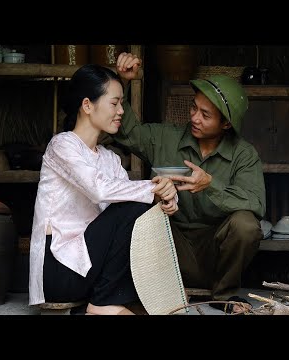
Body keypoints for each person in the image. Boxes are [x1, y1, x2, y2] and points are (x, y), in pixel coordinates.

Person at [113, 52, 266, 314]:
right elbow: (128, 134)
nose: (195, 117)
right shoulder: (165, 138)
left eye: (205, 115)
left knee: (246, 225)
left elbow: (255, 204)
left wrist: (211, 184)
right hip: (171, 244)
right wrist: (123, 83)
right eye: (194, 108)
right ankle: (156, 292)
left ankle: (224, 296)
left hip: (217, 251)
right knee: (135, 215)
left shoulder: (244, 154)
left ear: (226, 123)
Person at [28, 63, 179, 315]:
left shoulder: (110, 159)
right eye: (115, 103)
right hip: (58, 270)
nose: (121, 111)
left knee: (138, 206)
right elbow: (99, 190)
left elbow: (129, 201)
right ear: (87, 105)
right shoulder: (62, 145)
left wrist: (166, 200)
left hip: (89, 271)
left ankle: (103, 301)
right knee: (135, 203)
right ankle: (103, 304)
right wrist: (153, 190)